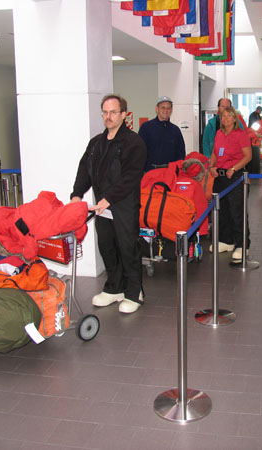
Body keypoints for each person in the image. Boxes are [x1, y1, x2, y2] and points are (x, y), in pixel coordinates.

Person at [70, 94, 147, 314]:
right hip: (101, 206)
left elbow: (131, 176)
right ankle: (114, 288)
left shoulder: (134, 142)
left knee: (127, 247)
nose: (108, 116)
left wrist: (109, 198)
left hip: (122, 205)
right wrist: (77, 194)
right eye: (105, 112)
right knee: (107, 246)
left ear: (124, 114)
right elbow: (85, 168)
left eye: (113, 112)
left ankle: (134, 292)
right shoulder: (96, 143)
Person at [209, 106, 252, 261]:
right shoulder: (219, 133)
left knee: (237, 211)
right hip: (219, 178)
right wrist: (211, 167)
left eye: (229, 116)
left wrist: (234, 168)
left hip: (235, 177)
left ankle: (242, 245)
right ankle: (226, 241)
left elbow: (248, 156)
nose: (226, 118)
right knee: (222, 210)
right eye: (223, 116)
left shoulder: (240, 135)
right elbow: (214, 152)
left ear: (235, 119)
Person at [139, 96, 186, 171]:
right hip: (151, 172)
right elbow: (140, 151)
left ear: (171, 110)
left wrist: (176, 169)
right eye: (163, 108)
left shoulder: (175, 130)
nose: (166, 110)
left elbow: (181, 153)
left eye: (168, 108)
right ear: (157, 109)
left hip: (171, 173)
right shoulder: (146, 127)